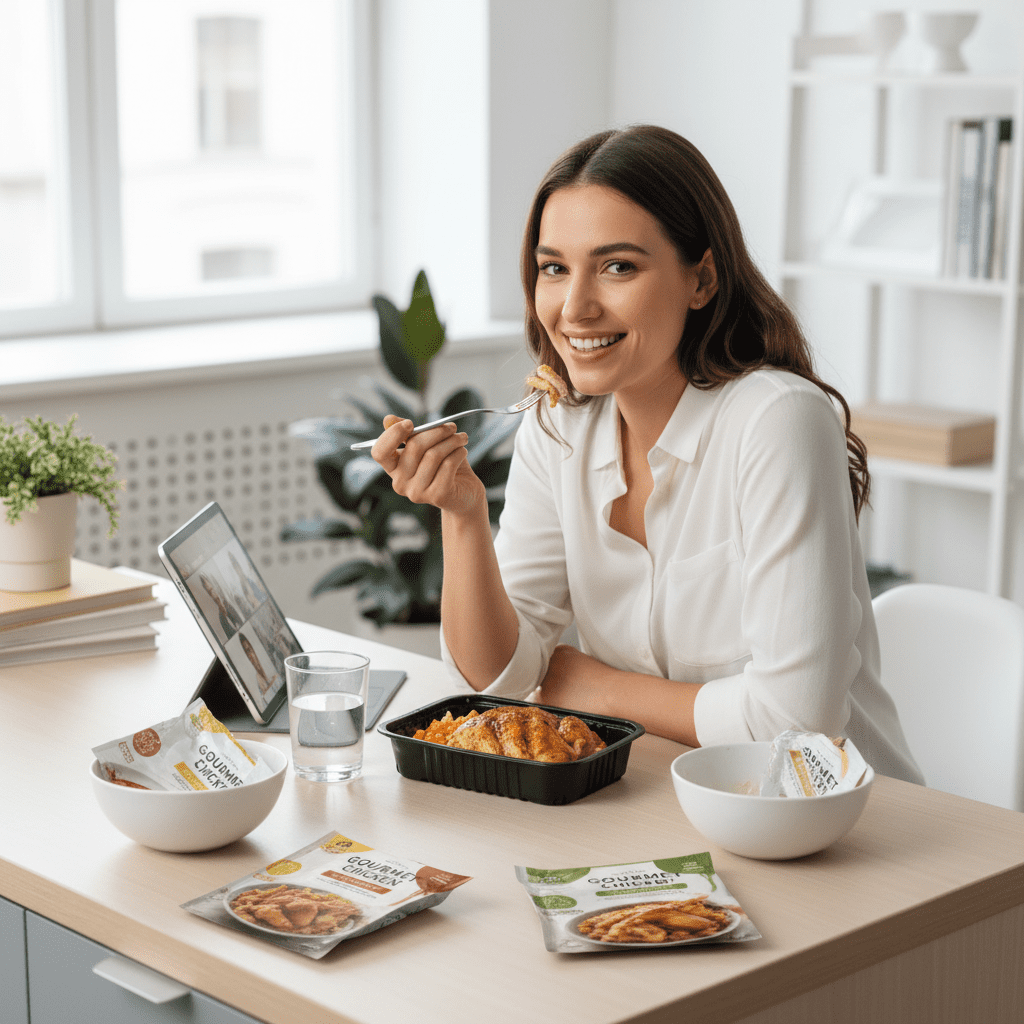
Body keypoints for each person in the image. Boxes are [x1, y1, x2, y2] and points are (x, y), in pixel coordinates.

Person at [370, 125, 923, 784]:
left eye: (617, 267)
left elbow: (794, 725)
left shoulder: (778, 422)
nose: (575, 307)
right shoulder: (558, 426)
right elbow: (499, 683)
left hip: (836, 823)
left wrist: (594, 688)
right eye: (554, 268)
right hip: (670, 797)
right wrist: (462, 517)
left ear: (702, 279)